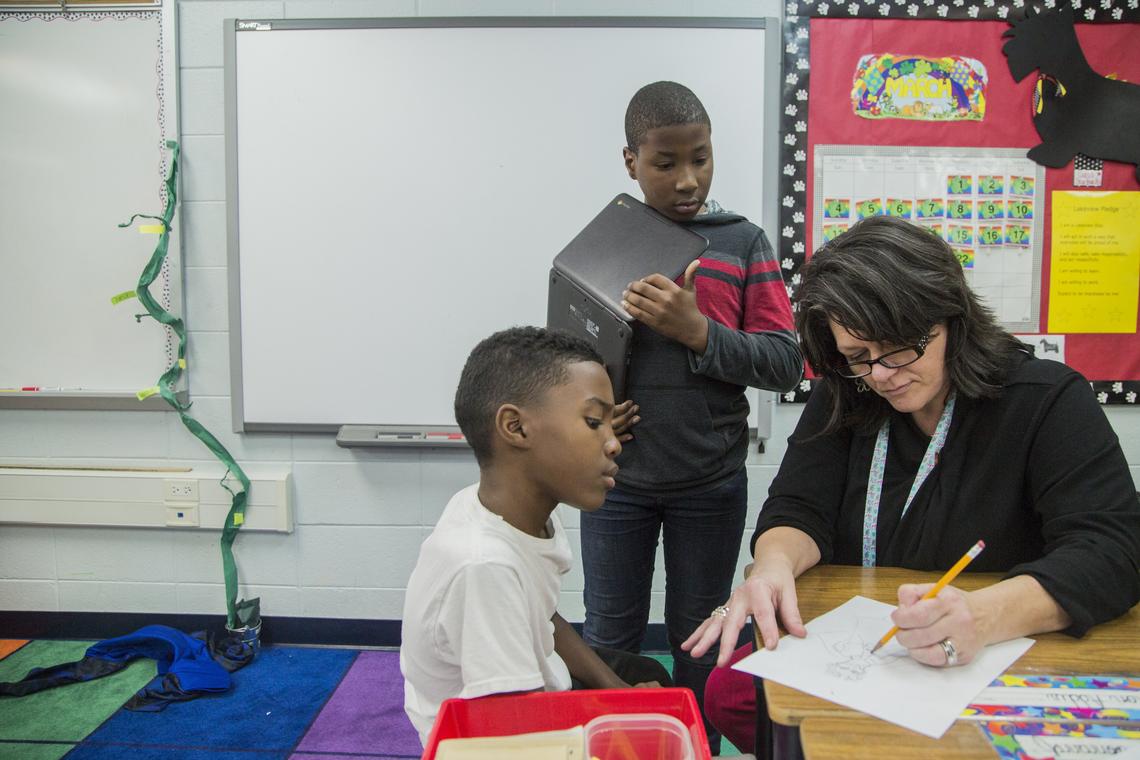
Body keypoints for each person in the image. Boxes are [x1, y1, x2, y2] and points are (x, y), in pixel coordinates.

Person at [682, 215, 1140, 752]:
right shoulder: (849, 393)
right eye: (858, 357)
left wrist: (985, 615)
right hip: (870, 648)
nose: (881, 374)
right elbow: (797, 506)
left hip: (992, 647)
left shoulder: (1046, 400)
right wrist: (774, 564)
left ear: (951, 318)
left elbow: (1113, 550)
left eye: (897, 348)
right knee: (733, 695)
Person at [579, 81, 802, 751]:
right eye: (666, 163)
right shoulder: (604, 243)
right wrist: (590, 419)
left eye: (700, 159)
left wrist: (698, 331)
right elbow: (567, 363)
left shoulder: (742, 242)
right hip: (614, 485)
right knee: (609, 638)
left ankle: (696, 746)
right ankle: (611, 745)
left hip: (710, 484)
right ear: (630, 162)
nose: (687, 179)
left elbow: (785, 361)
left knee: (701, 641)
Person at [400, 326, 671, 746]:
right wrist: (614, 725)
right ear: (516, 427)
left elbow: (543, 616)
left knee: (648, 677)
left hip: (526, 694)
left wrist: (618, 693)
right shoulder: (485, 565)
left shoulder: (517, 509)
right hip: (489, 737)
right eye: (594, 421)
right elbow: (515, 737)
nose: (614, 442)